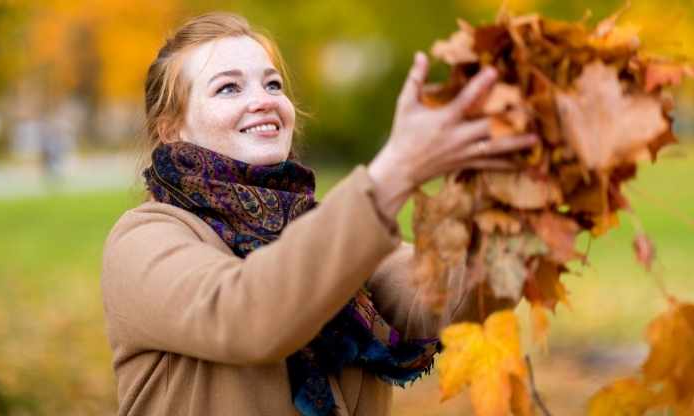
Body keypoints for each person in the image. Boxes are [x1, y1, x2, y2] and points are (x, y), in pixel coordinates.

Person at [100, 12, 536, 416]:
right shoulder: (144, 239)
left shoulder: (327, 232)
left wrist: (521, 191)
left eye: (272, 85)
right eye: (229, 88)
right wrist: (394, 171)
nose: (264, 101)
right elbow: (250, 316)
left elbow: (446, 296)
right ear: (171, 128)